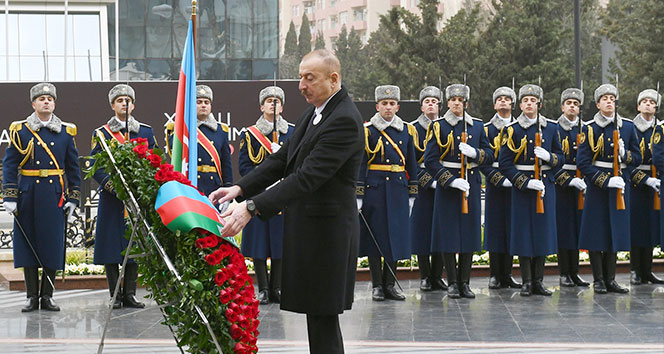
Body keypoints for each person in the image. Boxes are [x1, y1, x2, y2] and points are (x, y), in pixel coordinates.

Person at [210, 49, 363, 354]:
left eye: (310, 78)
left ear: (333, 79)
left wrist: (252, 207)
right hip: (312, 230)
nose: (301, 86)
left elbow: (306, 177)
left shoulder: (343, 119)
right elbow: (282, 159)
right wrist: (239, 189)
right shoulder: (317, 112)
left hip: (327, 235)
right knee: (317, 315)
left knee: (323, 316)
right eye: (300, 77)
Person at [2, 83, 81, 312]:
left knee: (51, 245)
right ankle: (31, 297)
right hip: (28, 194)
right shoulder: (21, 130)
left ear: (54, 103)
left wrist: (74, 197)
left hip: (53, 195)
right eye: (41, 98)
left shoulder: (66, 132)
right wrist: (10, 195)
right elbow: (10, 164)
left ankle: (47, 296)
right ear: (33, 104)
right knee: (28, 245)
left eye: (50, 98)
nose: (46, 102)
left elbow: (73, 167)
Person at [425, 84, 493, 299]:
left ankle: (465, 281)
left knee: (469, 233)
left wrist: (475, 153)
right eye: (453, 99)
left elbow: (490, 155)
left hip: (470, 182)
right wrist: (450, 180)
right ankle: (453, 281)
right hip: (449, 187)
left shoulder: (477, 126)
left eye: (460, 100)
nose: (456, 103)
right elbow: (430, 161)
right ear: (447, 103)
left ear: (467, 103)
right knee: (449, 234)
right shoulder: (438, 126)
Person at [91, 84, 156, 309]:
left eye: (128, 100)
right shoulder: (101, 133)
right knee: (111, 248)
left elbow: (154, 161)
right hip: (112, 199)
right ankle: (115, 295)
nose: (124, 103)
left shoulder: (145, 131)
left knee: (134, 246)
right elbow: (95, 165)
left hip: (136, 198)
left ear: (134, 105)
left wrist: (143, 184)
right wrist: (112, 186)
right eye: (119, 100)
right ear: (112, 105)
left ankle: (129, 293)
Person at [499, 84, 563, 296]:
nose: (529, 104)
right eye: (525, 100)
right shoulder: (512, 130)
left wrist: (549, 157)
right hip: (523, 188)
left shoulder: (552, 128)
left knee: (542, 233)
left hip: (545, 186)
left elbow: (561, 159)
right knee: (524, 234)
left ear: (540, 104)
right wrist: (524, 182)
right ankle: (526, 280)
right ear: (520, 105)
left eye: (532, 100)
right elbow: (505, 163)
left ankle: (539, 280)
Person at [577, 83, 640, 294]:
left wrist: (624, 154)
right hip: (598, 187)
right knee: (597, 233)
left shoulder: (628, 127)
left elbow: (637, 158)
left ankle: (611, 278)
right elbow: (583, 162)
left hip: (620, 186)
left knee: (614, 231)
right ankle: (599, 280)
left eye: (612, 99)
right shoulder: (589, 128)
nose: (609, 102)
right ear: (597, 104)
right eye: (605, 99)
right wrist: (605, 180)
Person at [357, 85, 418, 302]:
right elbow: (361, 163)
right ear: (377, 106)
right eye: (384, 104)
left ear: (398, 106)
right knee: (376, 238)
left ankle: (390, 284)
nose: (388, 108)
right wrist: (359, 193)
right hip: (375, 188)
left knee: (396, 237)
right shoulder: (368, 130)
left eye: (392, 104)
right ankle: (377, 286)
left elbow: (412, 163)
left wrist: (412, 193)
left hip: (398, 188)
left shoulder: (407, 130)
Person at [237, 86, 294, 304]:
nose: (273, 104)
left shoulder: (292, 132)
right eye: (269, 100)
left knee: (280, 243)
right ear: (262, 106)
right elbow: (245, 166)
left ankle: (277, 288)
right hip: (260, 195)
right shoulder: (250, 133)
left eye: (277, 101)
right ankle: (263, 288)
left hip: (282, 194)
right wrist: (263, 185)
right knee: (260, 244)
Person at [480, 86, 521, 290]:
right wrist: (497, 178)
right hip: (496, 181)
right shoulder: (487, 129)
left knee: (512, 226)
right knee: (496, 227)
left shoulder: (520, 127)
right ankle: (495, 273)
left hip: (516, 180)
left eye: (507, 99)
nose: (503, 102)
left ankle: (508, 273)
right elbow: (484, 160)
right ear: (495, 104)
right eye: (500, 99)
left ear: (513, 104)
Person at [409, 86, 447, 292]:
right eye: (427, 101)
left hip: (444, 182)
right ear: (421, 106)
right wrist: (427, 180)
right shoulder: (413, 128)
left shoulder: (446, 126)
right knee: (422, 229)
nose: (431, 104)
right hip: (423, 185)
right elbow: (411, 161)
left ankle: (437, 275)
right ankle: (425, 276)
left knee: (441, 229)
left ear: (439, 105)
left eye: (434, 101)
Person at [165, 84, 233, 197]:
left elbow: (226, 163)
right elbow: (175, 154)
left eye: (206, 102)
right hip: (189, 184)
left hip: (213, 187)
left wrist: (227, 189)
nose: (203, 106)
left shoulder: (221, 130)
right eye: (199, 102)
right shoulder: (181, 128)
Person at [554, 88, 590, 287]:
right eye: (569, 103)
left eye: (576, 104)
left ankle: (574, 272)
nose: (572, 107)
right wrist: (567, 180)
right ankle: (563, 272)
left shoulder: (585, 129)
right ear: (562, 106)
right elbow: (552, 163)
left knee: (577, 228)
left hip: (582, 183)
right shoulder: (554, 128)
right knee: (564, 229)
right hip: (562, 183)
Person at [628, 89, 663, 285]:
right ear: (638, 106)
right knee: (637, 227)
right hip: (636, 182)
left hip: (656, 181)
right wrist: (644, 179)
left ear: (656, 108)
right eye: (645, 101)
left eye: (652, 102)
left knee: (651, 226)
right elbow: (627, 162)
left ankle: (647, 270)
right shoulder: (630, 128)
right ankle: (635, 269)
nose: (648, 104)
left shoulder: (660, 129)